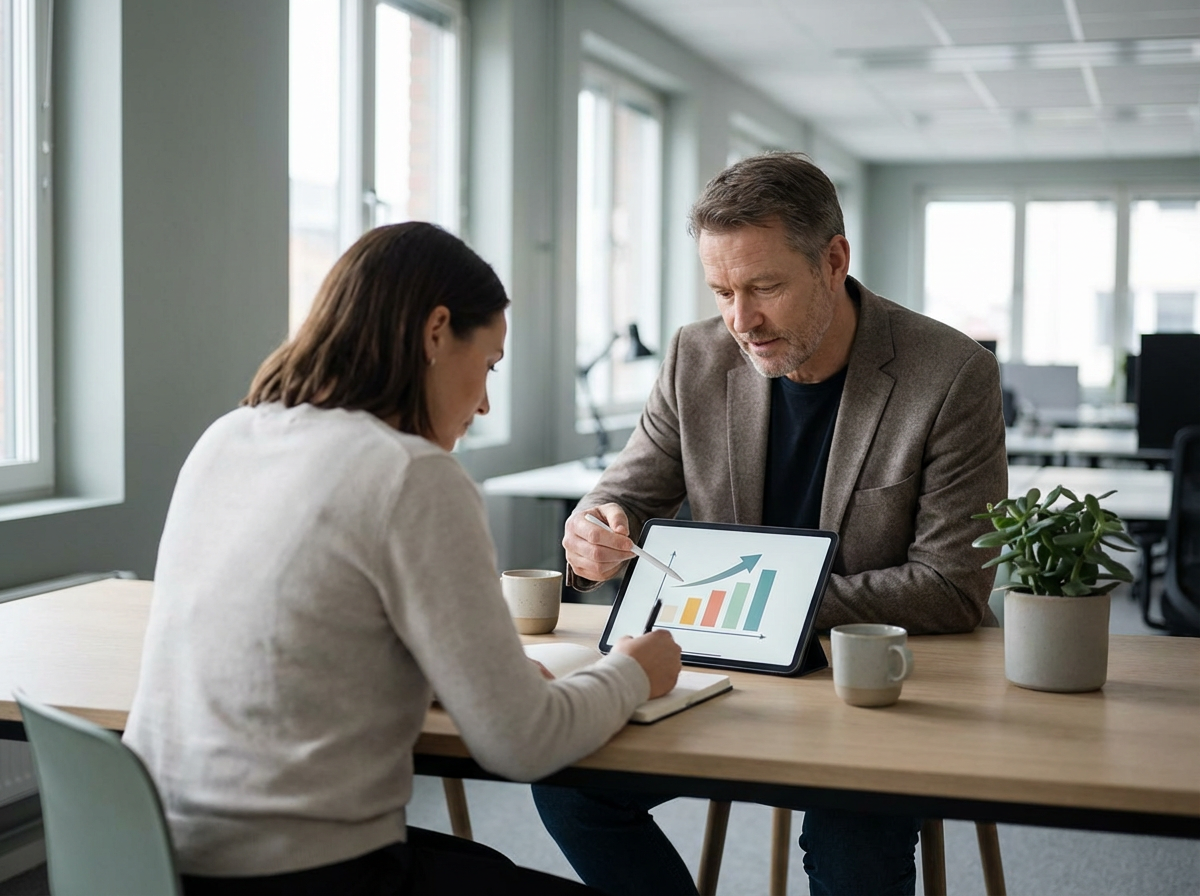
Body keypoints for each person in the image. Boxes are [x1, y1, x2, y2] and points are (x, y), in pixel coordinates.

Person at [123, 222, 682, 896]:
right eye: (490, 364)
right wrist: (629, 672)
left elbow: (302, 629)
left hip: (155, 857)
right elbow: (523, 744)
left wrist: (455, 671)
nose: (482, 402)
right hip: (298, 873)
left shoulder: (230, 434)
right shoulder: (411, 473)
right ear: (437, 332)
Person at [532, 153, 1008, 895]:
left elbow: (951, 588)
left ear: (833, 261)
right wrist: (593, 530)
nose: (741, 320)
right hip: (724, 683)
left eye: (764, 288)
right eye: (722, 291)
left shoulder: (949, 374)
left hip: (866, 691)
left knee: (855, 852)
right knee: (566, 783)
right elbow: (624, 493)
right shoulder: (695, 357)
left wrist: (771, 604)